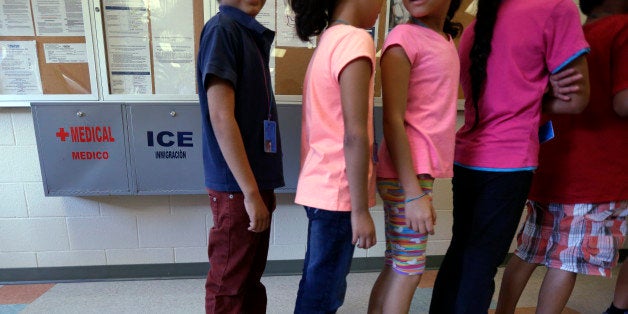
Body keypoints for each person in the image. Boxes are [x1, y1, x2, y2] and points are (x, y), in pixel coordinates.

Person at [428, 0, 591, 312]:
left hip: (468, 158)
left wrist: (532, 92)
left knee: (461, 254)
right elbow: (576, 101)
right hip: (508, 162)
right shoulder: (556, 8)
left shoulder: (481, 21)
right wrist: (539, 95)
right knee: (479, 264)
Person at [495, 0, 628, 312]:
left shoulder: (578, 35)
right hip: (596, 174)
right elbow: (623, 103)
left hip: (552, 166)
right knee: (568, 261)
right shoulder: (623, 31)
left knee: (529, 250)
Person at [366, 0, 462, 313]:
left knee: (398, 263)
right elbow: (391, 120)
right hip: (406, 176)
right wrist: (412, 195)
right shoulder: (403, 39)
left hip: (416, 174)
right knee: (409, 271)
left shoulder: (445, 40)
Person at [289, 0, 382, 312]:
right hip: (338, 192)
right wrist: (360, 212)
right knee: (323, 294)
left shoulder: (329, 39)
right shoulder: (355, 40)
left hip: (322, 186)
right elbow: (355, 134)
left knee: (317, 284)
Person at [196, 0, 284, 313]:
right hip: (238, 189)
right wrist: (248, 193)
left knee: (249, 277)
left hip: (255, 182)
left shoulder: (248, 33)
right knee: (229, 283)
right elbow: (221, 116)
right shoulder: (223, 29)